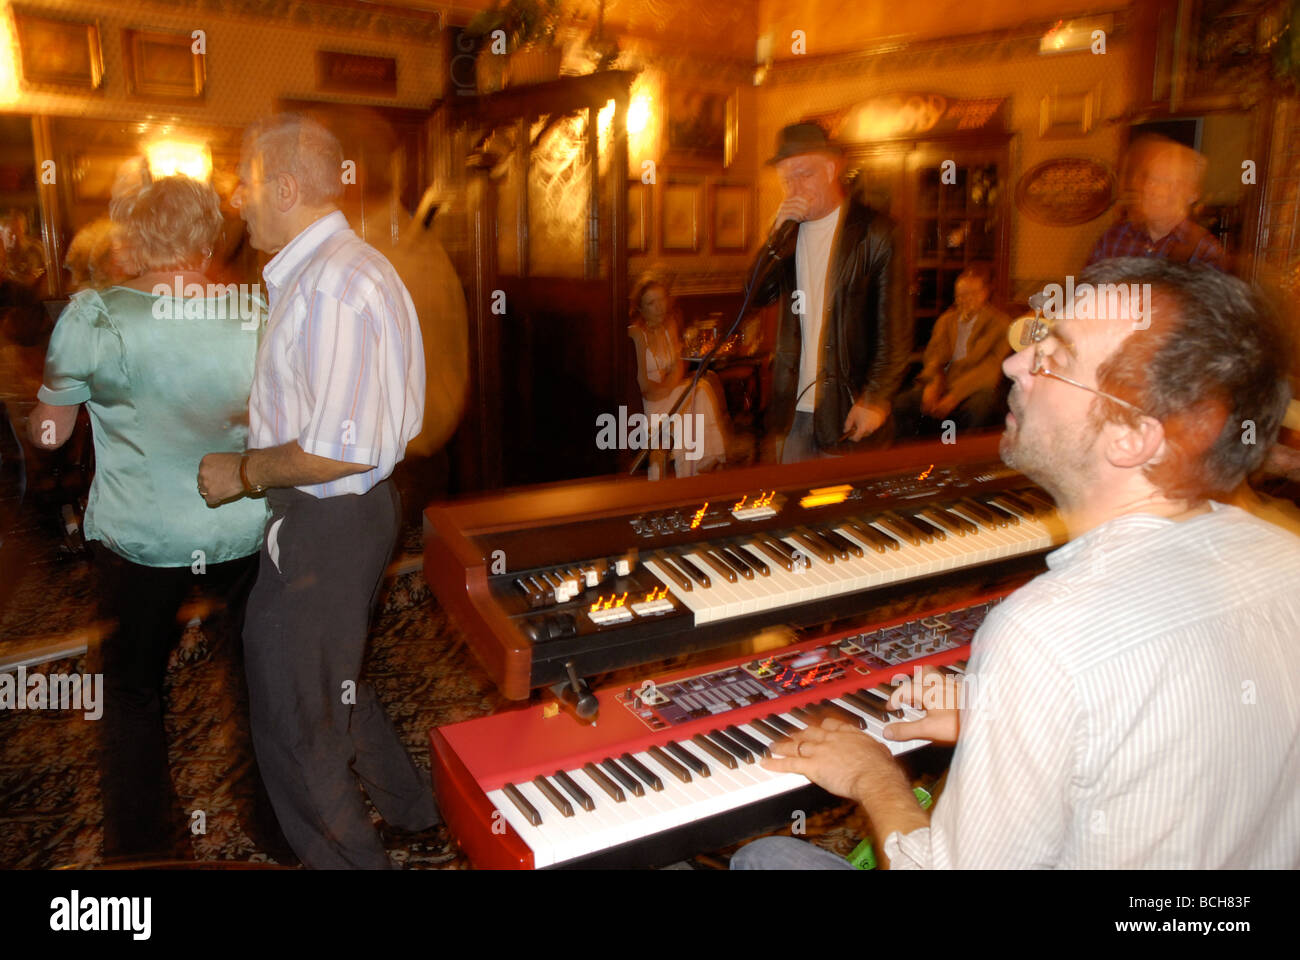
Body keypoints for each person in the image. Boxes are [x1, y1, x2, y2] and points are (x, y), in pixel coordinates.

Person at [733, 258, 1300, 869]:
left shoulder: (1045, 633)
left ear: (1134, 435)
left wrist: (875, 777)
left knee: (766, 857)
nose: (1013, 365)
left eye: (1053, 358)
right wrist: (1010, 725)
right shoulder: (1286, 559)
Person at [197, 113, 438, 869]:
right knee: (328, 675)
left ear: (287, 186)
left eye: (244, 176)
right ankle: (416, 808)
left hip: (328, 520)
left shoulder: (331, 282)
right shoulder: (337, 267)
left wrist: (241, 471)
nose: (235, 194)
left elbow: (339, 449)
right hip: (352, 518)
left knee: (294, 715)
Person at [28, 174, 274, 861]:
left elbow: (51, 434)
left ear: (135, 236)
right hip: (240, 525)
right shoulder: (258, 311)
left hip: (142, 538)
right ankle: (276, 824)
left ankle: (145, 850)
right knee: (257, 679)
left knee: (133, 691)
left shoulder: (95, 315)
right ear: (209, 236)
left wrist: (45, 417)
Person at [751, 122, 911, 463]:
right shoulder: (788, 236)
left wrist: (876, 399)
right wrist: (773, 237)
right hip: (792, 409)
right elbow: (756, 297)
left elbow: (894, 333)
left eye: (803, 174)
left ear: (830, 168)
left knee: (844, 512)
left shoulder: (876, 233)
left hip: (849, 405)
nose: (794, 188)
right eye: (786, 179)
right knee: (790, 508)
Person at [627, 276, 729, 478]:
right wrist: (667, 388)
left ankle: (695, 467)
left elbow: (679, 367)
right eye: (651, 303)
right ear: (640, 308)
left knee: (700, 389)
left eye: (661, 300)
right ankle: (691, 469)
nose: (659, 307)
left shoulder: (669, 325)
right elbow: (643, 385)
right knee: (697, 393)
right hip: (650, 404)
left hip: (669, 393)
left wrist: (669, 387)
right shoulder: (637, 334)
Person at [894, 264, 1011, 435]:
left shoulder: (1001, 324)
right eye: (961, 295)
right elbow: (934, 356)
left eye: (972, 294)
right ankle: (911, 457)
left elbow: (991, 369)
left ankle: (963, 458)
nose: (965, 300)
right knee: (901, 405)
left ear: (985, 294)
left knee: (977, 411)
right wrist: (932, 386)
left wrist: (955, 396)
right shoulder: (946, 320)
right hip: (944, 382)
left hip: (976, 386)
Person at [1087, 135, 1226, 270]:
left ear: (1193, 194)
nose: (1154, 190)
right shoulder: (1113, 238)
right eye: (1151, 179)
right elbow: (1085, 291)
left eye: (1168, 182)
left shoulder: (1205, 251)